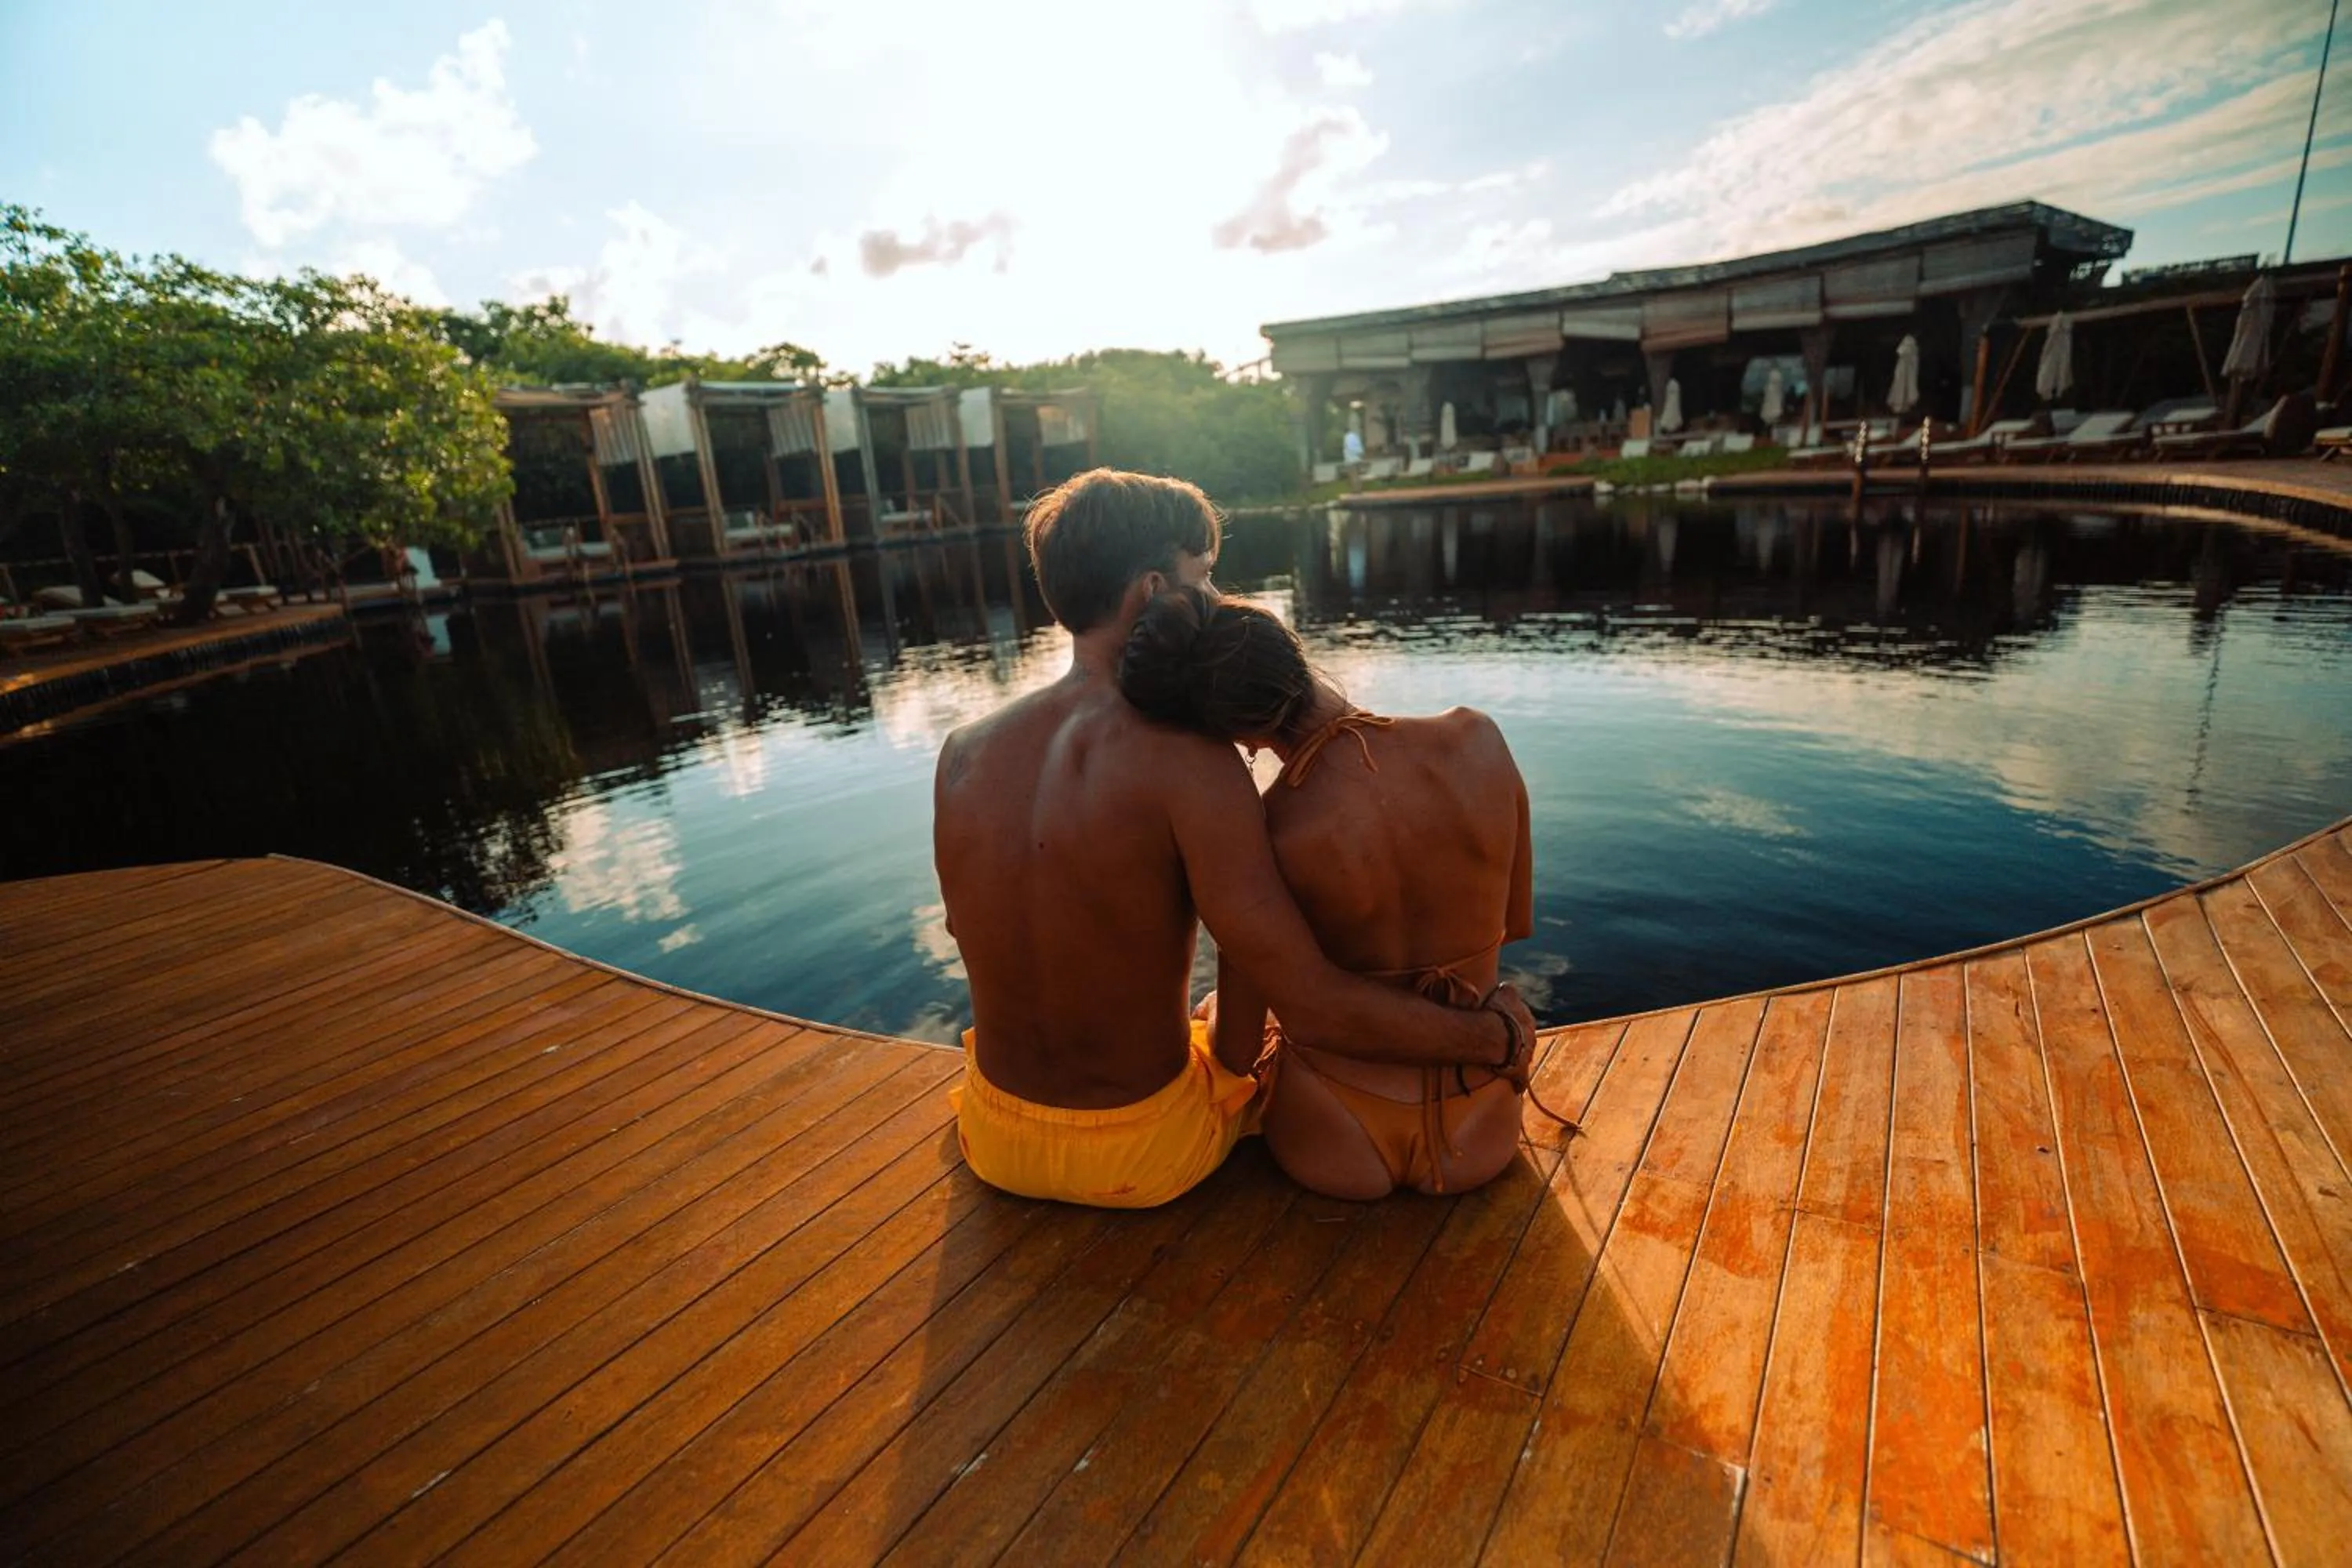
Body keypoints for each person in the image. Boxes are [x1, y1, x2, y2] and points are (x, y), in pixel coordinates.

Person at [933, 470, 1535, 1210]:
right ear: (1152, 593)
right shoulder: (1193, 763)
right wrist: (1493, 1039)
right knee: (1231, 1034)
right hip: (1143, 1158)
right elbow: (1306, 1003)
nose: (1216, 599)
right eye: (1205, 579)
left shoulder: (961, 750)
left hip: (994, 1137)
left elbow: (974, 930)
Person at [1119, 586, 1565, 1200]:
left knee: (1213, 1011)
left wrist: (1216, 1011)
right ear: (1295, 655)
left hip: (1334, 1133)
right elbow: (1511, 923)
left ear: (1238, 737)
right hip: (1482, 1123)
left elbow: (1239, 1050)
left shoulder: (1259, 837)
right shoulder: (1478, 740)